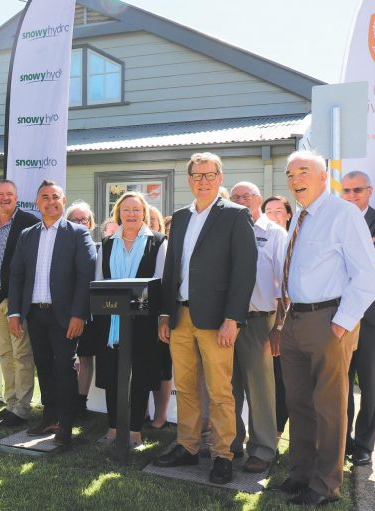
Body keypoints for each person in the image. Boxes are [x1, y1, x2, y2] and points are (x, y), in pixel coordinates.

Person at [276, 151, 375, 505]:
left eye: (303, 171)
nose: (294, 178)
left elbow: (366, 275)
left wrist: (341, 324)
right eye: (289, 173)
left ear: (323, 177)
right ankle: (301, 473)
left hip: (328, 321)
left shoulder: (343, 213)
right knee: (299, 403)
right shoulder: (300, 217)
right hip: (295, 319)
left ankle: (325, 486)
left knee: (329, 407)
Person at [154, 152, 257, 485]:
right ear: (189, 179)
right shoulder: (181, 217)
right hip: (180, 315)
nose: (203, 181)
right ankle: (187, 444)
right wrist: (166, 312)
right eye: (197, 175)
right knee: (185, 387)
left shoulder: (236, 215)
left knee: (219, 390)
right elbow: (172, 269)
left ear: (220, 177)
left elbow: (244, 272)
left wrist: (233, 318)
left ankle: (223, 454)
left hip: (216, 320)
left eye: (209, 175)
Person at [8, 180, 97, 445]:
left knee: (64, 368)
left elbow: (86, 276)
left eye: (55, 196)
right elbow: (16, 275)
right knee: (44, 367)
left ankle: (67, 424)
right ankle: (49, 417)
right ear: (37, 203)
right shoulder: (28, 235)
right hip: (35, 314)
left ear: (63, 200)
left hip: (66, 317)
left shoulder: (78, 234)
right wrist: (14, 313)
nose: (50, 201)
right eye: (44, 197)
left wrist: (79, 314)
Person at [89, 192, 166, 448]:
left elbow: (159, 283)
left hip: (144, 324)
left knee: (141, 376)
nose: (131, 214)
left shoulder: (158, 242)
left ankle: (134, 431)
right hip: (110, 321)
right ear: (118, 214)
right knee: (112, 376)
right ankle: (112, 428)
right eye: (126, 210)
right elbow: (99, 281)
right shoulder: (107, 244)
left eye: (136, 210)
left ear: (144, 213)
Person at [228, 181, 287, 473]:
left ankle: (263, 449)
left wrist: (279, 326)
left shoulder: (275, 234)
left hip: (259, 320)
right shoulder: (227, 231)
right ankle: (231, 443)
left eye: (246, 196)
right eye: (235, 196)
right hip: (226, 321)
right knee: (228, 387)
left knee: (260, 389)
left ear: (258, 199)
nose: (240, 200)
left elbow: (284, 284)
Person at [0, 179, 40, 427]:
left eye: (9, 194)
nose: (5, 198)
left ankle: (22, 408)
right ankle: (10, 403)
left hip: (16, 300)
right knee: (4, 353)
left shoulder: (29, 223)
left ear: (16, 197)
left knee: (22, 354)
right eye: (0, 195)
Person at [341, 170, 375, 467]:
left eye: (357, 191)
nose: (352, 196)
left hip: (371, 320)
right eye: (347, 191)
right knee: (339, 385)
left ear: (370, 192)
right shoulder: (336, 223)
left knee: (371, 384)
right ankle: (344, 442)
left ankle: (364, 444)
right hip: (339, 316)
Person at [262, 194, 294, 439]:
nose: (273, 215)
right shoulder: (261, 239)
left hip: (290, 319)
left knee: (285, 379)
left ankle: (278, 430)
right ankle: (269, 429)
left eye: (278, 210)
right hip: (265, 318)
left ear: (289, 214)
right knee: (271, 377)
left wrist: (281, 325)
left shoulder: (295, 240)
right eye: (268, 211)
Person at [65, 200, 98, 417]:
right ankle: (63, 401)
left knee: (85, 359)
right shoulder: (60, 250)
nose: (79, 223)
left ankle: (80, 403)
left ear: (91, 223)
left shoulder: (99, 249)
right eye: (74, 220)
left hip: (90, 314)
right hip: (63, 312)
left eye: (83, 220)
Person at [146, 207, 173, 430]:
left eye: (154, 219)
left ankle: (160, 415)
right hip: (139, 317)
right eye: (149, 219)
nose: (151, 222)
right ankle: (142, 411)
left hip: (161, 317)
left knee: (162, 368)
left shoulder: (164, 245)